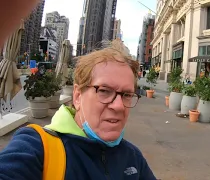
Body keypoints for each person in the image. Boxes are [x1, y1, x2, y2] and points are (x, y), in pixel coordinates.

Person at [0, 39, 157, 180]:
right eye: (104, 90)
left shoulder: (133, 158)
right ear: (77, 96)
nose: (119, 106)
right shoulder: (37, 147)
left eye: (127, 94)